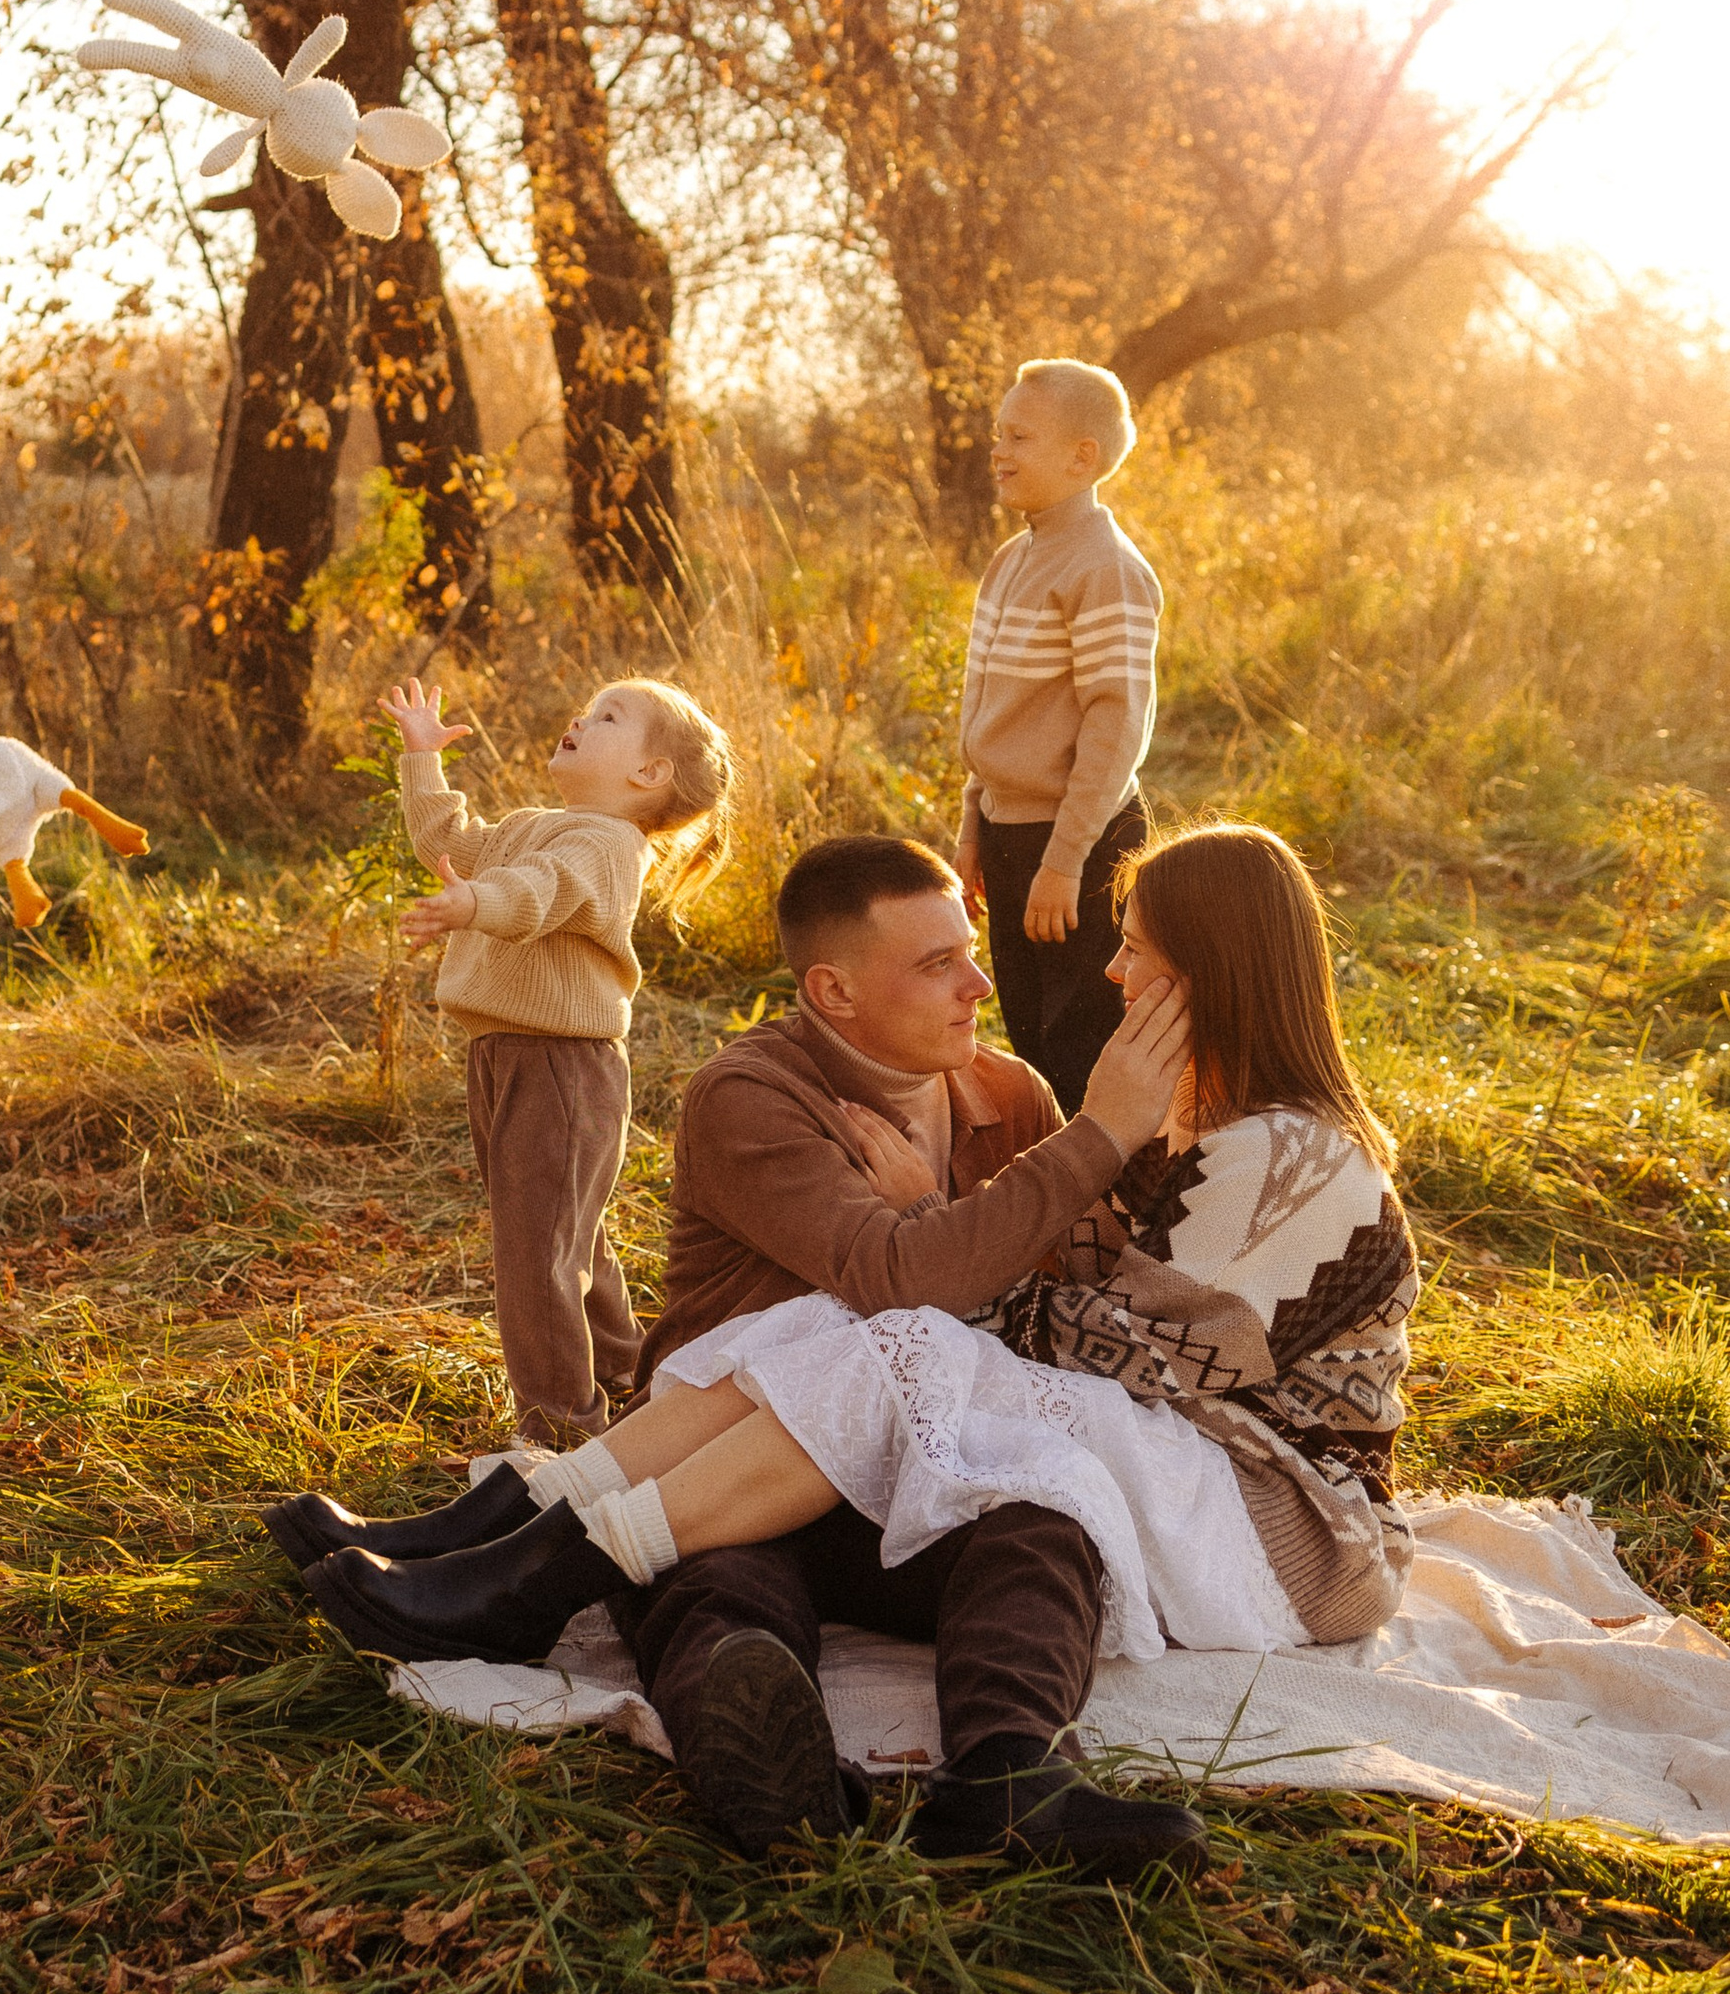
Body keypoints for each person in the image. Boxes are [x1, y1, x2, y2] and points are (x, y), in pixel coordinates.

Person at [300, 826, 1416, 1883]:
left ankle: (544, 1569)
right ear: (835, 990)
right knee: (762, 1525)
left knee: (1003, 1473)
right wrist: (1035, 1187)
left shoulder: (1249, 1148)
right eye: (940, 964)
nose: (1105, 974)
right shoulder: (760, 1095)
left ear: (1208, 976)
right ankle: (577, 1593)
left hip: (1270, 1502)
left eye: (1137, 950)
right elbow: (966, 1289)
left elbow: (1106, 1346)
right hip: (759, 1451)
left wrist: (956, 1206)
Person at [362, 673, 734, 1449]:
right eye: (589, 708)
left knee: (537, 1257)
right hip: (506, 1056)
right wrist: (423, 760)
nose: (581, 718)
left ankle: (560, 1431)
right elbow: (447, 845)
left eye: (609, 716)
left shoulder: (608, 847)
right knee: (565, 1236)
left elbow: (540, 891)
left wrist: (475, 903)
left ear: (649, 773)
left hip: (561, 1068)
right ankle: (629, 1375)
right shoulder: (537, 825)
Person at [956, 357, 1162, 1115]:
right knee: (1029, 1029)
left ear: (1083, 456)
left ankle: (1114, 1180)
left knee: (1084, 1039)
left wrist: (1065, 860)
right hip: (1011, 836)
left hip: (1079, 841)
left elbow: (1115, 724)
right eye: (998, 434)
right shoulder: (1012, 560)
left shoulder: (1106, 569)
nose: (999, 451)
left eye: (1020, 437)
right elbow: (993, 713)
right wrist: (973, 825)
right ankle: (1052, 1175)